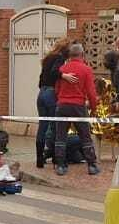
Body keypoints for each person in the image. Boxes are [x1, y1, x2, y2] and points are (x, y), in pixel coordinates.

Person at [53, 42, 101, 177]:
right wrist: (93, 108)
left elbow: (56, 90)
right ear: (82, 54)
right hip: (79, 106)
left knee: (60, 136)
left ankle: (61, 166)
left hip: (62, 105)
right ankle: (92, 165)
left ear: (69, 55)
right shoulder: (86, 70)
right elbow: (91, 93)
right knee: (85, 136)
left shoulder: (62, 69)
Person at [36, 38, 71, 169]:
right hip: (51, 93)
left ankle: (39, 159)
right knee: (56, 126)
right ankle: (57, 159)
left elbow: (41, 78)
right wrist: (64, 76)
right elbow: (55, 72)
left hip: (41, 93)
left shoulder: (47, 58)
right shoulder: (60, 58)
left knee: (42, 127)